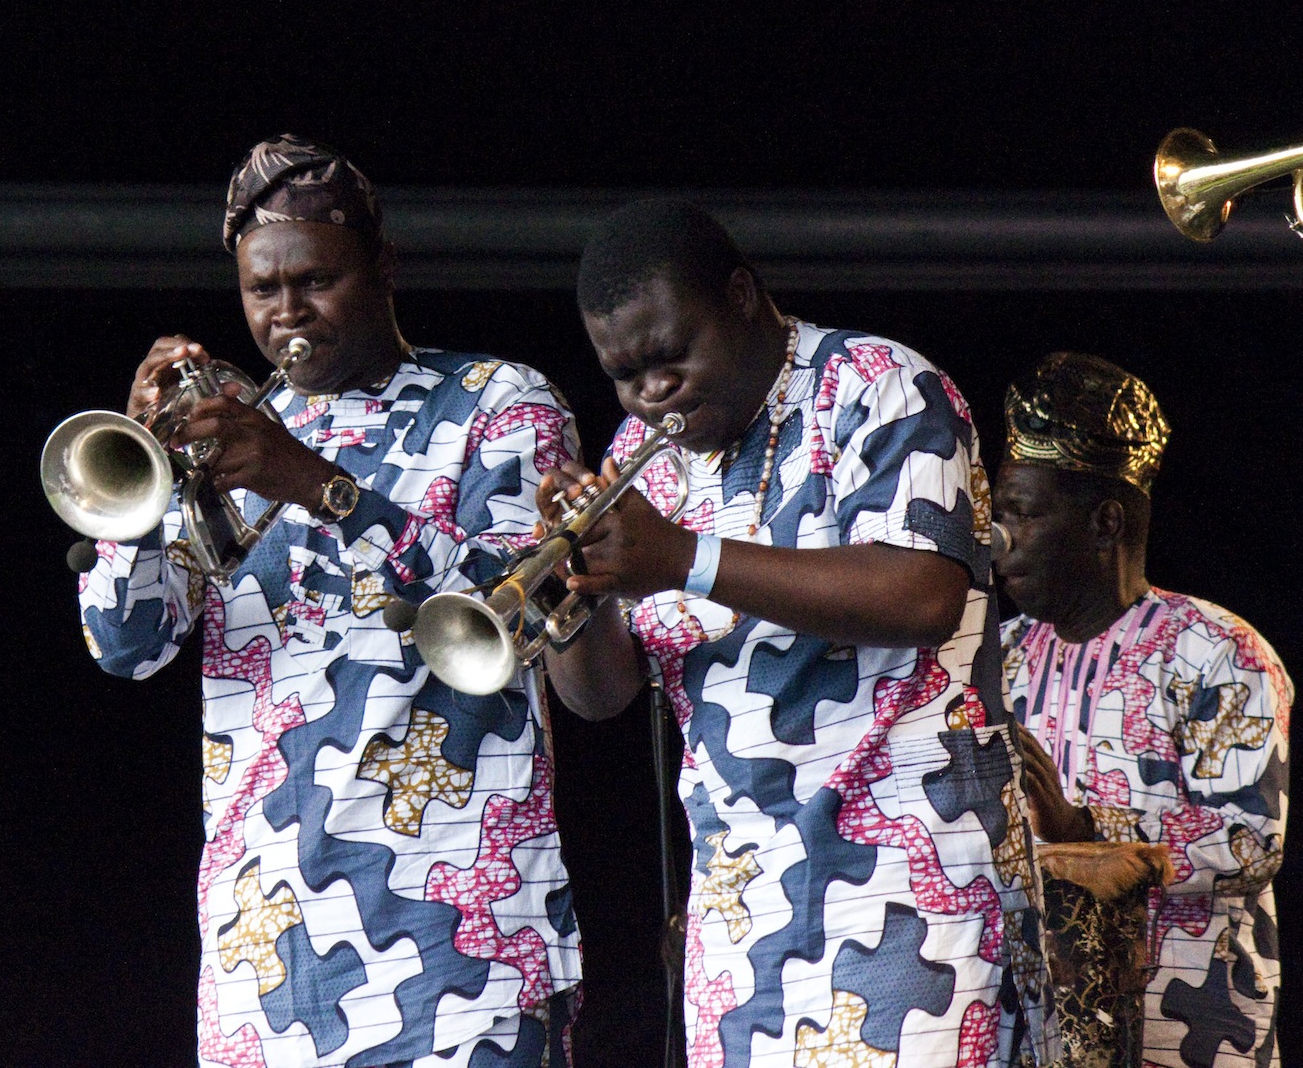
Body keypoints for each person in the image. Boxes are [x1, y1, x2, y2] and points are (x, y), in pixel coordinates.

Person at [77, 136, 583, 1068]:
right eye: (261, 290)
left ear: (384, 268)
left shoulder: (499, 402)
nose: (285, 314)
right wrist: (143, 492)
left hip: (462, 943)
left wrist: (317, 484)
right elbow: (125, 643)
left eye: (314, 281)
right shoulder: (226, 437)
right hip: (260, 950)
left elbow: (522, 617)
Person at [540, 199, 1021, 1068]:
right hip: (738, 912)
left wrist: (683, 555)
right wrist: (573, 598)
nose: (652, 391)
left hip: (912, 883)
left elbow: (921, 594)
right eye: (623, 373)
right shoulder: (638, 453)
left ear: (741, 295)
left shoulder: (882, 384)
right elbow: (602, 696)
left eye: (669, 354)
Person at [994, 353, 1289, 1068]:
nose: (997, 538)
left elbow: (1252, 838)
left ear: (1105, 522)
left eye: (1022, 513)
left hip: (1186, 1036)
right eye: (994, 513)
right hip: (1031, 1038)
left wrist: (1086, 833)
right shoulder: (992, 660)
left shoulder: (1217, 650)